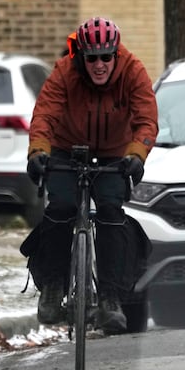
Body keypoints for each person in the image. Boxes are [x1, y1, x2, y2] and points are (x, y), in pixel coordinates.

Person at [26, 17, 158, 333]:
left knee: (112, 212)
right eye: (92, 58)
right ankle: (53, 287)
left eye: (106, 57)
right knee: (60, 208)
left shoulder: (133, 71)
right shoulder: (64, 72)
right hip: (66, 150)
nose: (99, 65)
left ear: (116, 54)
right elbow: (44, 114)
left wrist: (136, 156)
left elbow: (147, 121)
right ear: (81, 57)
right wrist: (38, 151)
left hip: (115, 153)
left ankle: (111, 298)